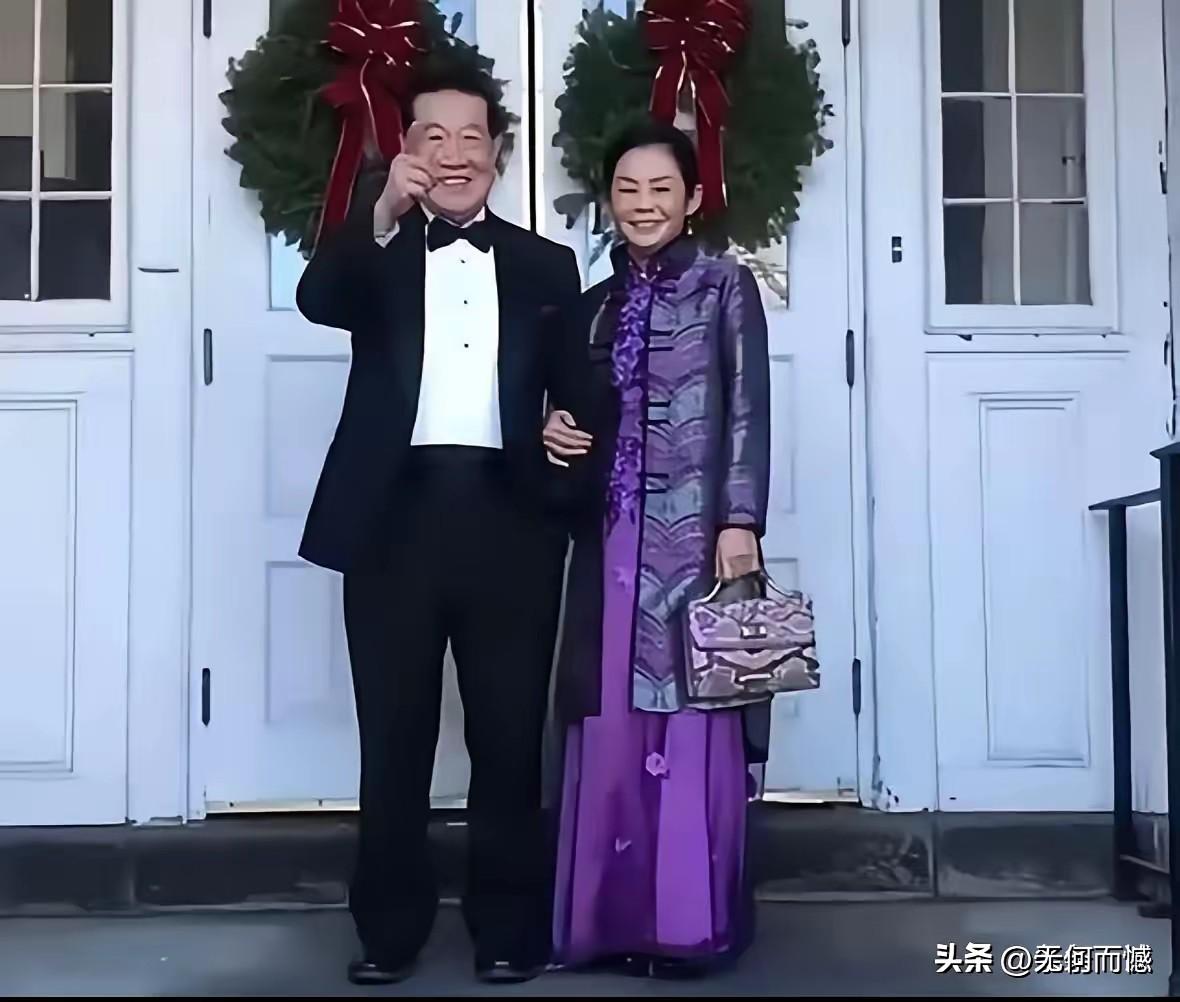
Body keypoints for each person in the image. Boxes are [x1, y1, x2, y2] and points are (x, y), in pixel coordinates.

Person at [295, 59, 582, 987]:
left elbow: (579, 385)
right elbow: (317, 300)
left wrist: (569, 423)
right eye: (434, 137)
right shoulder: (374, 255)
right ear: (406, 152)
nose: (455, 155)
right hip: (394, 521)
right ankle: (388, 929)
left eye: (472, 138)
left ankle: (507, 928)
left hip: (511, 521)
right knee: (394, 737)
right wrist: (378, 213)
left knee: (508, 739)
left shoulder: (546, 264)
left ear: (498, 153)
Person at [542, 119, 772, 977]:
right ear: (609, 200)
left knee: (689, 719)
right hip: (611, 537)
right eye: (628, 190)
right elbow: (571, 408)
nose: (643, 205)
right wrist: (553, 429)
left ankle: (685, 926)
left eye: (661, 189)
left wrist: (740, 520)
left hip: (698, 536)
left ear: (693, 198)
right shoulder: (595, 303)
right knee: (608, 718)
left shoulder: (725, 286)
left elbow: (747, 407)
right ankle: (607, 922)